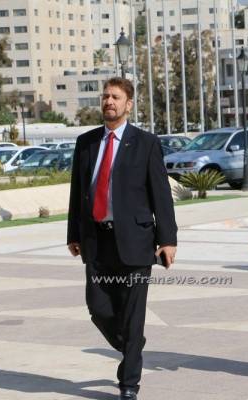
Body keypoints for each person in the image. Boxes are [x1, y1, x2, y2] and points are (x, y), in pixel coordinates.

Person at [67, 77, 177, 400]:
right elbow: (78, 192)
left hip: (136, 242)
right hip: (97, 241)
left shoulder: (146, 143)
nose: (108, 101)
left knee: (132, 313)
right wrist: (73, 233)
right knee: (98, 307)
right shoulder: (86, 143)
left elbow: (161, 195)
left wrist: (167, 239)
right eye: (105, 96)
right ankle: (132, 344)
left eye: (115, 97)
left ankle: (129, 383)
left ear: (128, 104)